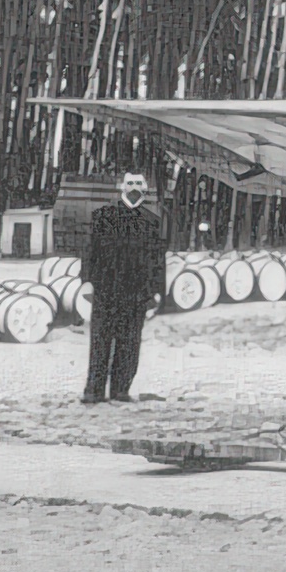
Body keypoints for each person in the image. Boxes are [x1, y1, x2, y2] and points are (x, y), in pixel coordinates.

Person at [82, 172, 165, 404]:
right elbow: (90, 252)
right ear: (121, 187)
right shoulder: (103, 216)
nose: (134, 187)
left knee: (130, 342)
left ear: (145, 188)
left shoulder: (152, 221)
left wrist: (156, 290)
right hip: (106, 290)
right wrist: (87, 281)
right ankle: (93, 391)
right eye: (130, 183)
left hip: (136, 293)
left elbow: (158, 260)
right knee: (100, 341)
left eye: (139, 183)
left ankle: (120, 390)